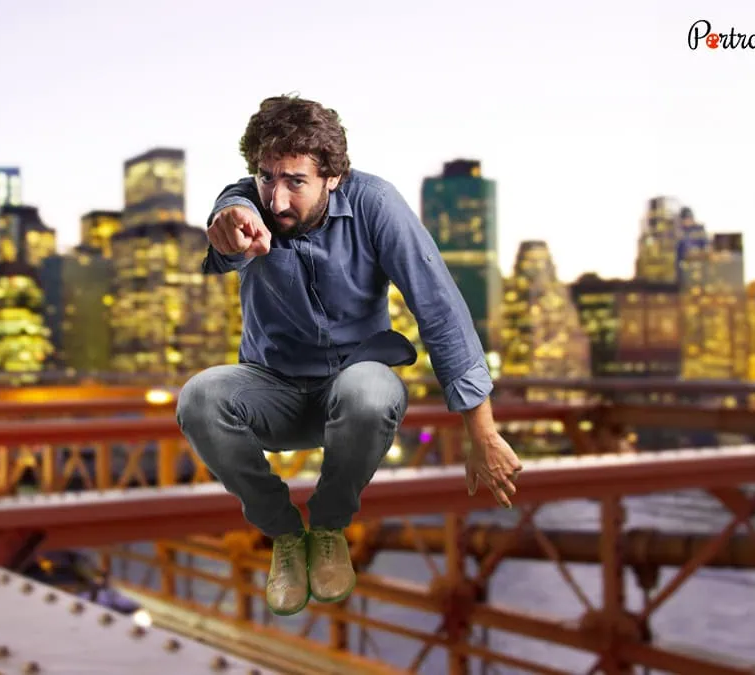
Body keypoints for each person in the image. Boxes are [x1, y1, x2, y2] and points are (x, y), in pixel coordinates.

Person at [174, 94, 523, 616]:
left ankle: (330, 525)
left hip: (351, 388)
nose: (278, 199)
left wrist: (483, 430)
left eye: (296, 181)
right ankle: (286, 535)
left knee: (371, 389)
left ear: (333, 176)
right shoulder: (246, 202)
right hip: (274, 393)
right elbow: (235, 214)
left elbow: (440, 308)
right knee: (198, 398)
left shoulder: (376, 204)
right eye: (268, 177)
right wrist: (229, 228)